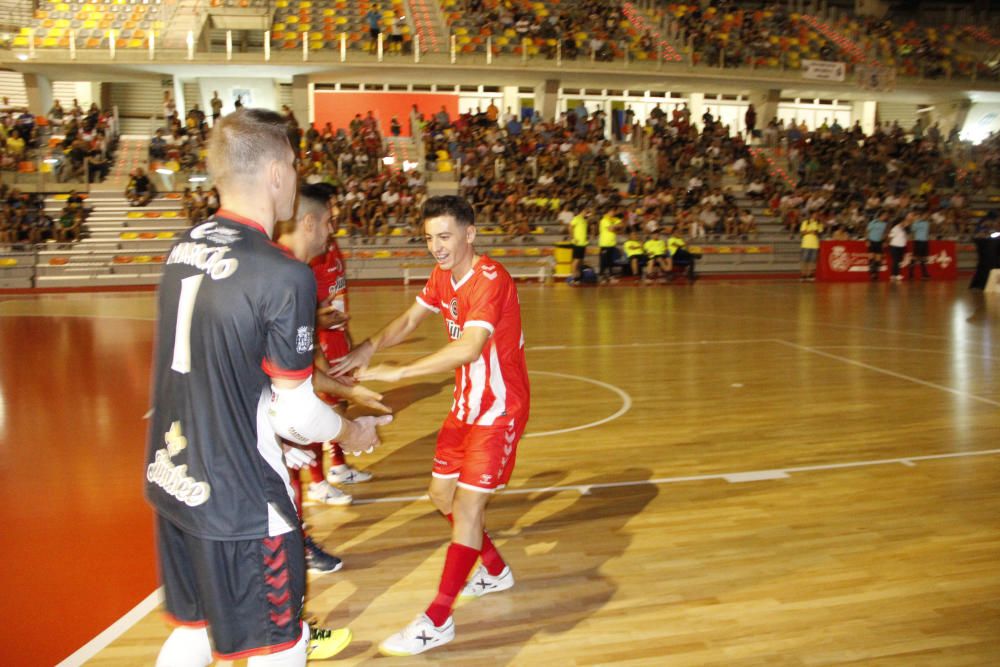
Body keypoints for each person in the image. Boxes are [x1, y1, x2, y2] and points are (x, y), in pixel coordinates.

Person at [144, 108, 391, 665]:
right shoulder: (281, 274)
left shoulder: (182, 249)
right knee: (283, 645)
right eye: (296, 169)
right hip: (242, 500)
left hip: (172, 478)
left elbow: (231, 376)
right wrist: (350, 431)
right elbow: (298, 407)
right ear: (279, 172)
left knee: (193, 633)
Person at [331, 195, 530, 657]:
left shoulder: (490, 278)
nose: (436, 247)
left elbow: (469, 349)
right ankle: (495, 569)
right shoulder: (444, 275)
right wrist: (370, 347)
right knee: (441, 496)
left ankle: (439, 618)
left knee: (466, 508)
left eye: (444, 236)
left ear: (469, 234)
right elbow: (411, 317)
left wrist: (396, 373)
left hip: (498, 410)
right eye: (429, 238)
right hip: (465, 405)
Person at [568, 206, 591, 285]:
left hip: (583, 243)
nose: (587, 213)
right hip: (577, 243)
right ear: (582, 210)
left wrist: (586, 238)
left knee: (580, 261)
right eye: (586, 211)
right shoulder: (577, 218)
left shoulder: (584, 220)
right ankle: (573, 278)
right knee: (576, 261)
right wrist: (573, 237)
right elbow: (570, 227)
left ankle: (578, 278)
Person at [799, 213, 823, 281]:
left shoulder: (819, 224)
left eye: (817, 215)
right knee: (804, 259)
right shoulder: (806, 222)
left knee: (813, 260)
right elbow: (802, 232)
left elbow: (820, 233)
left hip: (815, 244)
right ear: (811, 215)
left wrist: (815, 232)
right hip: (806, 244)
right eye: (814, 215)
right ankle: (803, 274)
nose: (815, 216)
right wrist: (810, 231)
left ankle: (810, 274)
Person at [866, 210, 888, 282]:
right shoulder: (873, 222)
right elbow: (867, 231)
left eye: (886, 216)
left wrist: (884, 241)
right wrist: (867, 240)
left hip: (879, 242)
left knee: (878, 259)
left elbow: (884, 233)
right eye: (884, 215)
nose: (885, 217)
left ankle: (876, 275)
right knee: (871, 258)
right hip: (872, 241)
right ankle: (872, 274)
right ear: (880, 215)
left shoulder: (885, 224)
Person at [909, 210, 931, 280]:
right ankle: (911, 274)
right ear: (922, 216)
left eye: (927, 215)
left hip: (925, 241)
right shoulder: (916, 222)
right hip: (918, 241)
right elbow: (913, 230)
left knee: (923, 258)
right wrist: (915, 221)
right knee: (915, 257)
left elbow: (927, 232)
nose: (926, 216)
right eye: (925, 215)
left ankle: (924, 274)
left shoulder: (927, 223)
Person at [887, 215, 908, 282]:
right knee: (895, 261)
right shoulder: (895, 228)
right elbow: (890, 237)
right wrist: (889, 245)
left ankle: (895, 275)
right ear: (901, 222)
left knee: (898, 261)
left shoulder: (902, 229)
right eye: (904, 221)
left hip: (901, 247)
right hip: (895, 247)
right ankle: (895, 275)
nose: (905, 223)